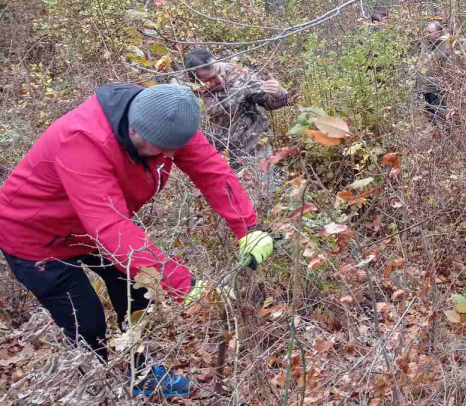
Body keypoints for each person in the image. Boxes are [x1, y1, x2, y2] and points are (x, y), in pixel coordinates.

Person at [0, 84, 275, 398]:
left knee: (138, 293)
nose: (172, 156)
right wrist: (184, 285)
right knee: (86, 321)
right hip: (35, 238)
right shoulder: (82, 141)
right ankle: (98, 387)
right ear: (134, 130)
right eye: (162, 149)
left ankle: (140, 374)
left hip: (90, 230)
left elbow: (211, 170)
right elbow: (112, 227)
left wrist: (248, 228)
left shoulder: (168, 118)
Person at [183, 48, 290, 170]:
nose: (219, 79)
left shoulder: (239, 74)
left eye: (218, 71)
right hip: (216, 161)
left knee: (268, 186)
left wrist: (278, 93)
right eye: (209, 80)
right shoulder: (186, 96)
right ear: (195, 81)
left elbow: (268, 102)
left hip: (255, 151)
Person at [414, 22, 453, 121]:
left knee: (441, 114)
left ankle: (446, 133)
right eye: (427, 31)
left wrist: (444, 84)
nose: (427, 33)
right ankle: (435, 133)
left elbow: (448, 67)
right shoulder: (426, 42)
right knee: (430, 114)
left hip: (436, 87)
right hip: (424, 86)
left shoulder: (446, 45)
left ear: (438, 33)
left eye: (430, 32)